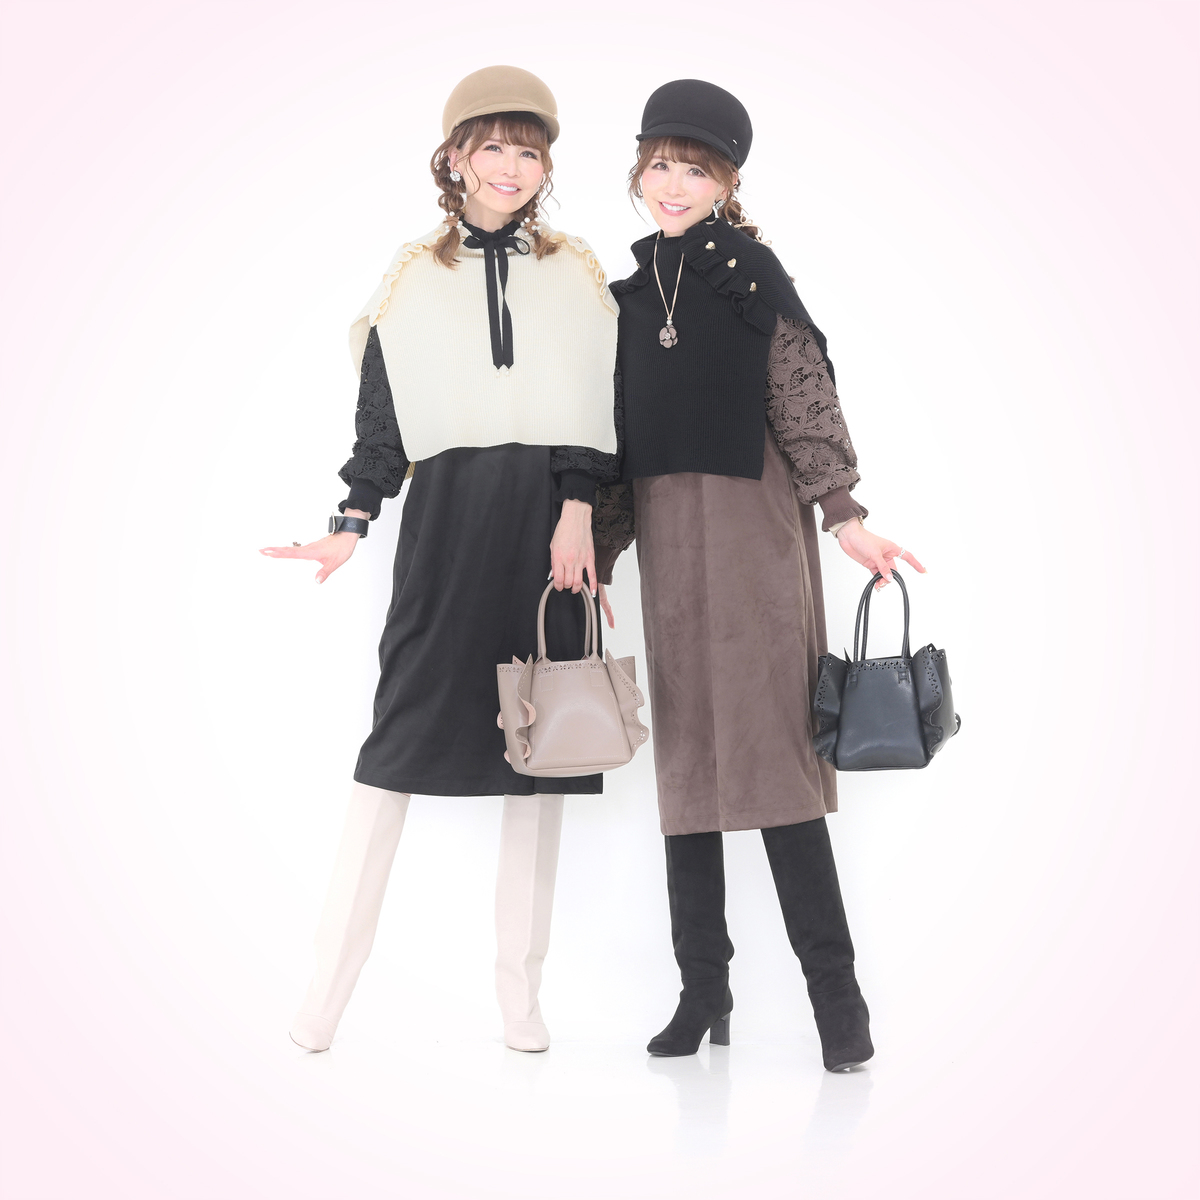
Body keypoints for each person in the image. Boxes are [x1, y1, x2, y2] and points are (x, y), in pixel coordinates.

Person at [262, 66, 619, 1053]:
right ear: (455, 156)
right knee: (394, 752)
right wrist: (350, 520)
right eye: (492, 146)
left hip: (548, 535)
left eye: (529, 150)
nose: (511, 166)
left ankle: (520, 999)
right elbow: (382, 427)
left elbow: (596, 403)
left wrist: (579, 513)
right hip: (446, 530)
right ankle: (326, 992)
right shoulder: (413, 274)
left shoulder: (574, 269)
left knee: (539, 754)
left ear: (546, 165)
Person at [591, 79, 925, 1071]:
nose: (673, 184)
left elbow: (801, 391)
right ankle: (705, 989)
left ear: (726, 183)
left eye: (695, 170)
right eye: (660, 164)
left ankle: (838, 1001)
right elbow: (612, 435)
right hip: (667, 533)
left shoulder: (749, 274)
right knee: (687, 759)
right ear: (639, 169)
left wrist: (844, 513)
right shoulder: (626, 295)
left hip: (751, 527)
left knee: (774, 755)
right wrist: (600, 548)